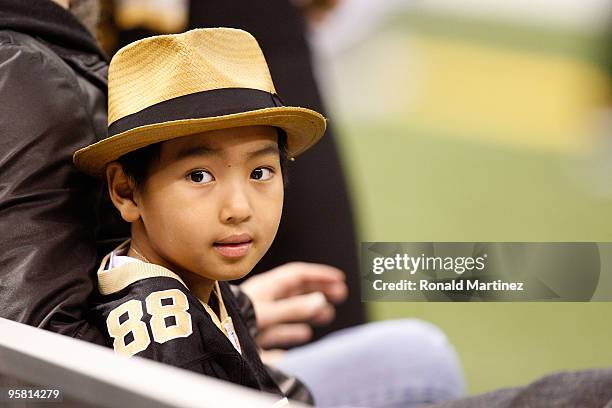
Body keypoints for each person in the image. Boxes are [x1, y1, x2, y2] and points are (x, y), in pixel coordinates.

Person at [73, 27, 329, 402]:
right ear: (126, 191)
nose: (238, 209)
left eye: (260, 173)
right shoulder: (169, 335)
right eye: (199, 176)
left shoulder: (191, 274)